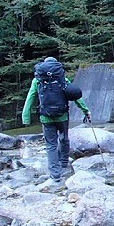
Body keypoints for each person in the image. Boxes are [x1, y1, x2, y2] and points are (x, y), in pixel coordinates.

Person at [22, 57, 91, 185]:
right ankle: (64, 163)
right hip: (62, 116)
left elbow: (30, 98)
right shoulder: (62, 79)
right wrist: (86, 111)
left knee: (51, 145)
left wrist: (26, 118)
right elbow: (75, 95)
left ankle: (55, 175)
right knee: (64, 138)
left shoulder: (37, 80)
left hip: (46, 117)